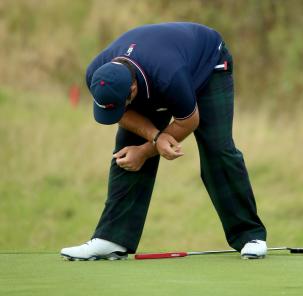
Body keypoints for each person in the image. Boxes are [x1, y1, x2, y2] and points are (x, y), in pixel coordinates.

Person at [60, 22, 267, 260]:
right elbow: (124, 115)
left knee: (217, 150)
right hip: (159, 65)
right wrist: (154, 137)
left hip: (208, 66)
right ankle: (111, 239)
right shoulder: (97, 74)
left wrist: (146, 151)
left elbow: (189, 121)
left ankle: (250, 235)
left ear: (133, 88)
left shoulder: (169, 76)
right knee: (127, 154)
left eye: (121, 104)